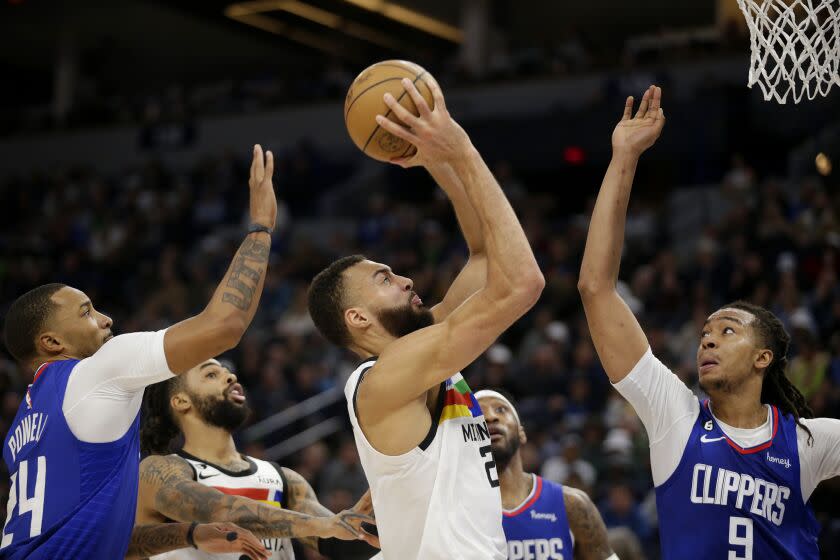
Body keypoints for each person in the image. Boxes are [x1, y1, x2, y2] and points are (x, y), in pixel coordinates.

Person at [0, 146, 365, 559]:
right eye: (87, 312)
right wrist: (261, 228)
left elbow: (98, 540)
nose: (105, 320)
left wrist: (188, 534)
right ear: (52, 343)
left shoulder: (21, 432)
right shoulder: (97, 371)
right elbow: (225, 325)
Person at [577, 85, 840, 559]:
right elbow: (596, 289)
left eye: (727, 331)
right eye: (704, 335)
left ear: (764, 357)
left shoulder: (809, 441)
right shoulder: (674, 415)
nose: (707, 342)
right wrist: (625, 157)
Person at [307, 77, 544, 559]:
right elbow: (522, 283)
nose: (406, 280)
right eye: (384, 279)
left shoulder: (425, 349)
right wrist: (461, 149)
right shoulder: (385, 378)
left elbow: (482, 254)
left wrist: (433, 157)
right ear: (357, 317)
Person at [136, 358, 379, 559]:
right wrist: (324, 525)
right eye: (211, 374)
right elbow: (222, 512)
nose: (230, 377)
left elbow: (340, 542)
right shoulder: (158, 470)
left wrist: (371, 524)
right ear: (181, 401)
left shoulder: (284, 479)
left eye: (229, 372)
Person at [476, 389, 616, 560]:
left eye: (500, 410)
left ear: (522, 433)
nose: (490, 417)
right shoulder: (457, 512)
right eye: (479, 414)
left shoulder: (571, 504)